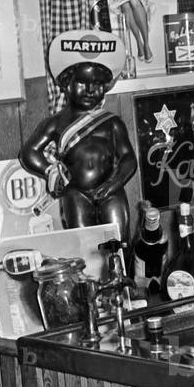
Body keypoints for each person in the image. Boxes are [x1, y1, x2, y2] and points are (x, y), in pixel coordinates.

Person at [19, 28, 138, 244]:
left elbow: (129, 158)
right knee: (84, 247)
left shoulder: (112, 123)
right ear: (66, 83)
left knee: (120, 244)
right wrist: (50, 172)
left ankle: (123, 277)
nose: (91, 89)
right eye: (83, 82)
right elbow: (29, 152)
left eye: (98, 84)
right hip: (75, 193)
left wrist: (115, 183)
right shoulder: (56, 123)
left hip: (111, 191)